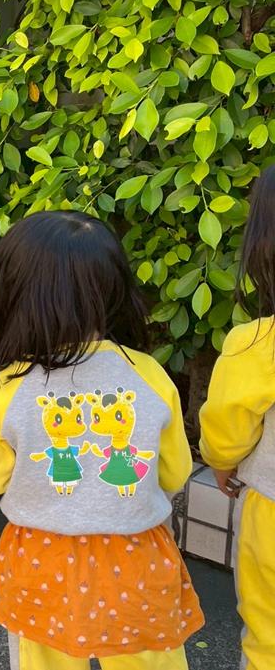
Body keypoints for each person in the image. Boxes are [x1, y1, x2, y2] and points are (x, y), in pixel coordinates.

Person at [0, 211, 203, 670]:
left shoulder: (7, 385)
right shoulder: (148, 374)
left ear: (19, 294)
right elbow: (174, 472)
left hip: (42, 560)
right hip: (137, 560)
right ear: (113, 288)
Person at [199, 165, 275, 670]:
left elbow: (226, 431)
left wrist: (222, 466)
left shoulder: (257, 342)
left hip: (272, 509)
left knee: (269, 633)